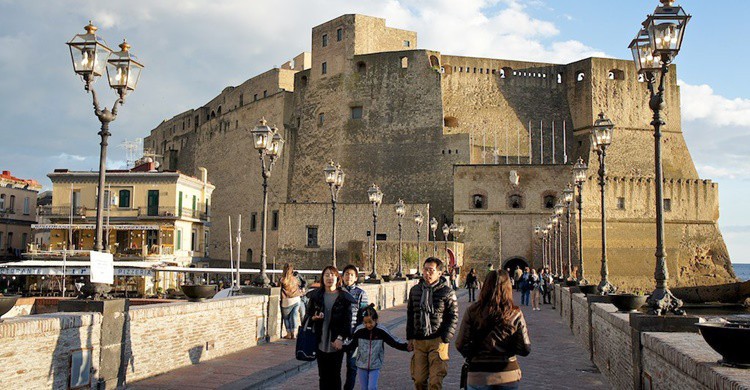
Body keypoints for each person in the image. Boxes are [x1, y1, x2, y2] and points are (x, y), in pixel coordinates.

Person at [456, 269, 531, 390]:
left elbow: (460, 344)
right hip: (507, 374)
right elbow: (525, 348)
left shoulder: (472, 311)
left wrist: (474, 355)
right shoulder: (515, 313)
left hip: (478, 373)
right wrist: (508, 349)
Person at [407, 257, 459, 390]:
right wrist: (410, 337)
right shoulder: (415, 291)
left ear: (439, 273)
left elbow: (453, 316)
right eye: (425, 269)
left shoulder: (447, 292)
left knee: (435, 381)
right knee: (419, 380)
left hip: (437, 340)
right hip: (419, 340)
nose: (427, 273)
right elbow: (411, 314)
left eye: (431, 270)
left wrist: (445, 338)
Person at [305, 265, 357, 389]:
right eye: (326, 275)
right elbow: (307, 317)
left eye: (332, 275)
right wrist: (313, 318)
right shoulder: (316, 296)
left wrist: (340, 338)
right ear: (322, 278)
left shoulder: (344, 298)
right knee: (323, 376)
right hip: (320, 342)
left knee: (335, 375)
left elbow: (347, 322)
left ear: (337, 278)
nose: (329, 278)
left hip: (336, 343)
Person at [342, 304, 411, 389]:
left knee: (372, 387)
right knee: (364, 388)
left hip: (375, 365)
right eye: (365, 323)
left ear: (375, 319)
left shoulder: (381, 331)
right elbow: (351, 344)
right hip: (361, 365)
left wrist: (405, 347)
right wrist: (341, 347)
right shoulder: (359, 330)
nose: (368, 325)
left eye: (370, 322)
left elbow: (393, 341)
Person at [342, 264, 370, 390]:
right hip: (338, 335)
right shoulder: (338, 292)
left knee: (351, 366)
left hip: (354, 335)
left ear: (356, 278)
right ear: (342, 277)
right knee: (335, 367)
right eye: (346, 274)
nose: (349, 277)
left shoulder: (360, 293)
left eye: (351, 274)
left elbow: (364, 315)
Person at [280, 263, 303, 339]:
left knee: (286, 318)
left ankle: (289, 333)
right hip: (297, 299)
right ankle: (294, 333)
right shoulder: (295, 278)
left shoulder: (283, 279)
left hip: (287, 301)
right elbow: (299, 285)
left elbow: (278, 287)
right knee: (294, 316)